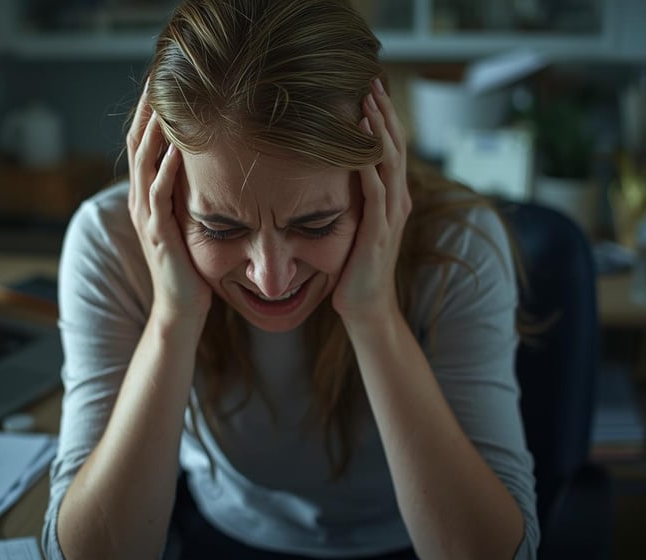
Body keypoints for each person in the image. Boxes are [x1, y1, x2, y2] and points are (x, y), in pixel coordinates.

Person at [42, 1, 539, 558]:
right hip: (222, 535)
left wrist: (374, 314)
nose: (271, 279)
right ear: (163, 179)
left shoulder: (460, 243)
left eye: (316, 223)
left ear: (378, 170)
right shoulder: (112, 242)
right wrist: (172, 317)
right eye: (220, 227)